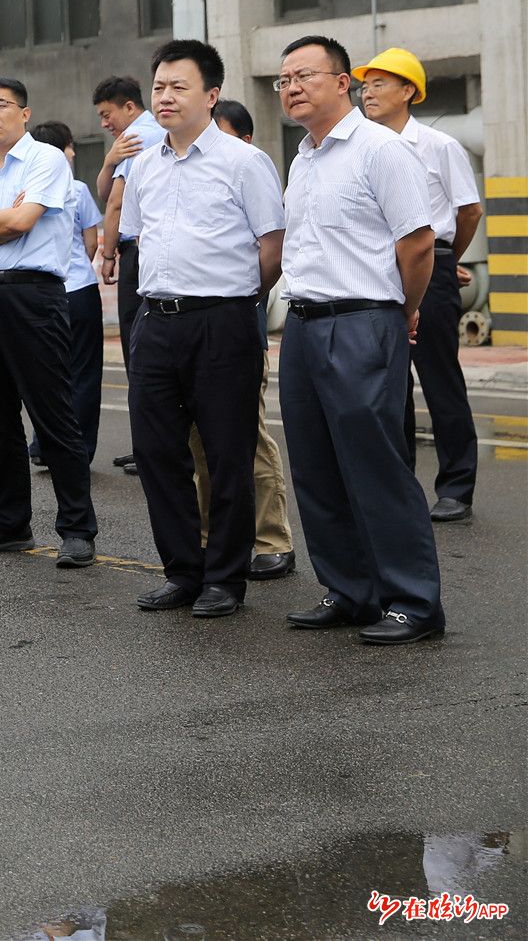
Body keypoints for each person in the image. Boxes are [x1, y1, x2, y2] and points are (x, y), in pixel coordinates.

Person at [274, 34, 444, 645]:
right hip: (303, 322)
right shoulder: (304, 156)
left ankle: (414, 601)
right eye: (283, 79)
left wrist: (405, 310)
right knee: (316, 468)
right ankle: (348, 590)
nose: (292, 87)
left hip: (364, 320)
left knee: (376, 467)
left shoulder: (380, 149)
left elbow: (418, 242)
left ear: (342, 81)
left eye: (305, 76)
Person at [113, 41, 285, 619]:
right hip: (155, 323)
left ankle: (225, 579)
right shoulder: (142, 166)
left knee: (226, 452)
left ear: (210, 95)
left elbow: (272, 249)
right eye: (158, 86)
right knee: (157, 452)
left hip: (223, 322)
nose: (164, 96)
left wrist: (234, 302)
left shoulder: (243, 162)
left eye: (177, 86)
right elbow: (135, 238)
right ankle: (182, 571)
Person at [0, 78, 98, 568]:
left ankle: (77, 528)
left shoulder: (46, 160)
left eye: (0, 106)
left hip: (34, 297)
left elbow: (23, 222)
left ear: (24, 113)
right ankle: (10, 522)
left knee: (53, 415)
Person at [356, 47, 484, 523]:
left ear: (408, 91)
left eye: (380, 84)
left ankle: (456, 486)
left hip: (430, 269)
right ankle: (400, 482)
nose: (367, 92)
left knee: (438, 377)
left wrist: (447, 260)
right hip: (378, 271)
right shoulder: (362, 146)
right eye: (365, 85)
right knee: (389, 382)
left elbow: (467, 211)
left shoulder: (438, 146)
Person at [198, 101, 297, 580]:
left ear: (246, 140)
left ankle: (272, 539)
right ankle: (212, 537)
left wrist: (238, 304)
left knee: (245, 438)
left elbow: (271, 254)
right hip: (190, 334)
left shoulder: (250, 176)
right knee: (199, 444)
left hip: (237, 328)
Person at [92, 75, 165, 474]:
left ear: (129, 108)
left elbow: (115, 202)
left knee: (140, 349)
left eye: (107, 114)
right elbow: (106, 190)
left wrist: (107, 254)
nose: (105, 124)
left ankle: (151, 447)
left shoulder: (141, 138)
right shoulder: (134, 140)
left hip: (139, 251)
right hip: (139, 250)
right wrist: (108, 160)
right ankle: (145, 445)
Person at [25, 121, 103, 470]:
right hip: (79, 290)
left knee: (45, 373)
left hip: (40, 292)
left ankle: (43, 443)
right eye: (70, 147)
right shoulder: (78, 189)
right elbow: (91, 242)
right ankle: (80, 449)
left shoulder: (25, 190)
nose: (73, 153)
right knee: (83, 372)